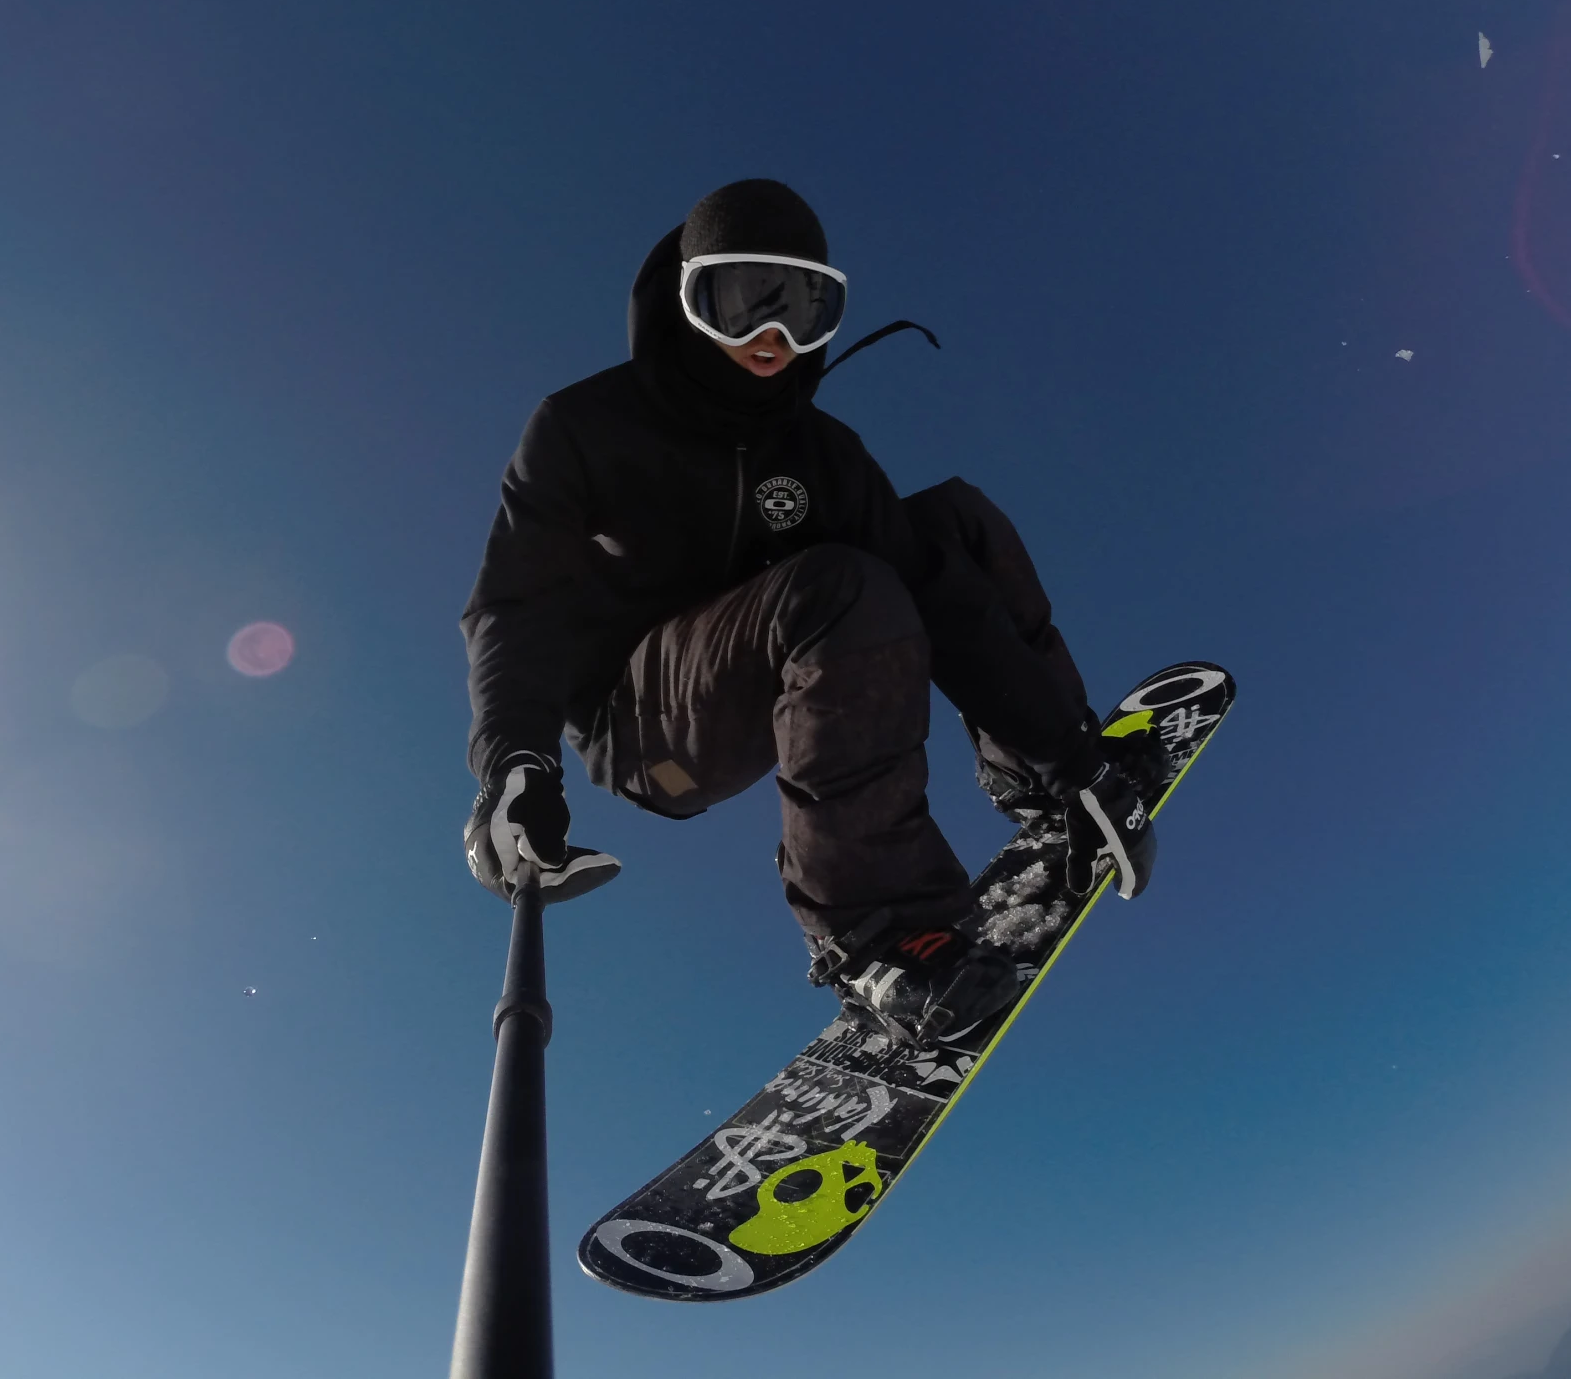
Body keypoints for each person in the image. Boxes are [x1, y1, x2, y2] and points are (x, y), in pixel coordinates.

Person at [459, 179, 1157, 1046]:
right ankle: (879, 933)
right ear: (688, 298)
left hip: (778, 659)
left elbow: (941, 593)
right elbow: (515, 604)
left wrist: (1068, 763)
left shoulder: (825, 455)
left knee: (952, 524)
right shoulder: (586, 426)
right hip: (646, 734)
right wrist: (517, 763)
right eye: (744, 298)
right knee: (841, 583)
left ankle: (1032, 771)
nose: (773, 336)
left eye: (804, 305)